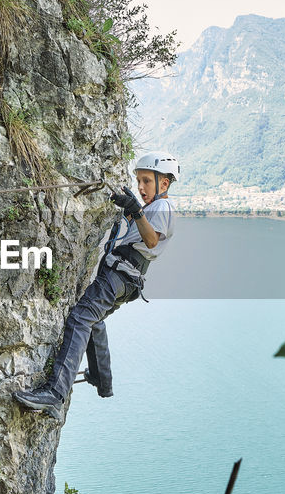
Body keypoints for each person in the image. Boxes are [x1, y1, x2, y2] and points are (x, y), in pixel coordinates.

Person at [12, 152, 179, 419]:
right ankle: (103, 379)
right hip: (126, 279)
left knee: (80, 317)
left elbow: (151, 241)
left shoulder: (163, 208)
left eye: (147, 181)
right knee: (94, 319)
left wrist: (135, 211)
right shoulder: (152, 209)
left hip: (119, 276)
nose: (141, 187)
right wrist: (132, 208)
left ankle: (54, 394)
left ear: (165, 184)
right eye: (139, 181)